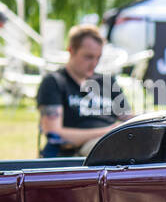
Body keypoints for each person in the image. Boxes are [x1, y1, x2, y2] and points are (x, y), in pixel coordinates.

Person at [36, 25, 132, 157]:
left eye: (98, 57)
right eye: (88, 57)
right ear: (71, 50)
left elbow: (128, 119)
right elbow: (55, 135)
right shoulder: (54, 82)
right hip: (80, 151)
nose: (94, 63)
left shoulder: (107, 82)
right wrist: (108, 132)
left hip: (116, 141)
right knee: (116, 149)